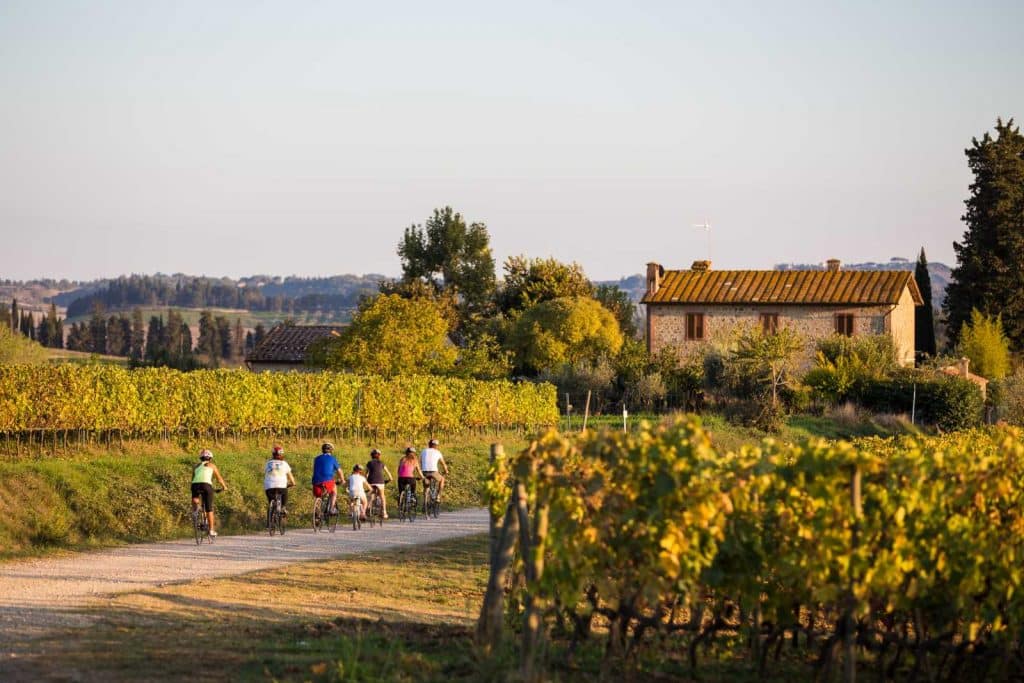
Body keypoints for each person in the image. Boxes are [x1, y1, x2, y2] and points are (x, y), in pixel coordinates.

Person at [191, 449, 228, 537]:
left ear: (201, 458)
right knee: (209, 509)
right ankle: (211, 530)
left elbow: (193, 479)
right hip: (206, 486)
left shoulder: (196, 466)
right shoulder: (212, 465)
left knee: (195, 498)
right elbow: (219, 478)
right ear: (210, 458)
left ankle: (196, 509)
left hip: (195, 485)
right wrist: (224, 487)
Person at [263, 444, 296, 518]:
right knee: (284, 494)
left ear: (273, 454)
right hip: (281, 485)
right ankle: (283, 508)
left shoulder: (268, 463)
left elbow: (265, 473)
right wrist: (293, 483)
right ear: (281, 455)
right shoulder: (284, 463)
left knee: (271, 501)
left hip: (269, 486)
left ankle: (269, 522)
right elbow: (290, 476)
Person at [312, 442, 343, 514]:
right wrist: (342, 480)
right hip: (328, 481)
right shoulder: (333, 459)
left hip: (316, 481)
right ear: (331, 450)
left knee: (318, 496)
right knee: (334, 491)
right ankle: (332, 509)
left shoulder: (316, 459)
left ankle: (317, 511)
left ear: (322, 450)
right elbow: (339, 471)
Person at [420, 438, 449, 510]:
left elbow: (419, 461)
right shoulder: (438, 452)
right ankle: (438, 496)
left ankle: (425, 503)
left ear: (429, 444)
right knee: (442, 479)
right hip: (433, 472)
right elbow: (443, 464)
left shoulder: (423, 451)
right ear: (436, 446)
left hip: (424, 472)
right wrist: (446, 471)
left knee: (426, 487)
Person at [365, 448, 394, 519]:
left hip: (371, 481)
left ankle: (368, 508)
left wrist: (366, 481)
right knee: (382, 496)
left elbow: (366, 474)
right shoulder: (381, 463)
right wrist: (390, 479)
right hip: (380, 481)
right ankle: (384, 512)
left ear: (371, 456)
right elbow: (388, 472)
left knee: (371, 495)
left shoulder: (369, 463)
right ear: (379, 456)